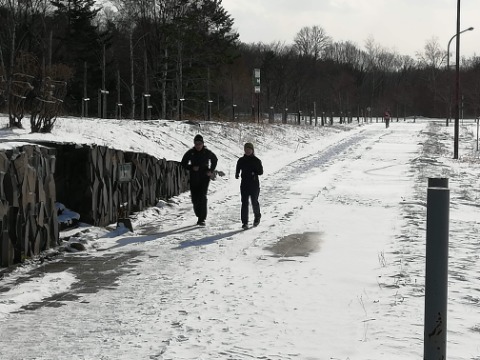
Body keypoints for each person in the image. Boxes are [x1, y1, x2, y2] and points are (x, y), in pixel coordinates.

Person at [181, 134, 218, 226]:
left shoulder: (207, 152)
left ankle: (202, 219)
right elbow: (183, 163)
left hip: (204, 176)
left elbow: (215, 159)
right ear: (194, 144)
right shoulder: (191, 152)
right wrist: (191, 167)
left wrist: (211, 170)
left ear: (202, 143)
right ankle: (198, 214)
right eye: (196, 143)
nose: (198, 145)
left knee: (202, 196)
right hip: (194, 176)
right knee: (194, 198)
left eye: (200, 143)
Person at [235, 142, 263, 230]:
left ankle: (257, 217)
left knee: (254, 201)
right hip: (244, 184)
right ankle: (244, 222)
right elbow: (238, 168)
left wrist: (254, 172)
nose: (247, 151)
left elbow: (261, 172)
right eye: (246, 149)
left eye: (249, 149)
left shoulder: (256, 160)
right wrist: (237, 174)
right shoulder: (241, 160)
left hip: (254, 184)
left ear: (252, 150)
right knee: (244, 203)